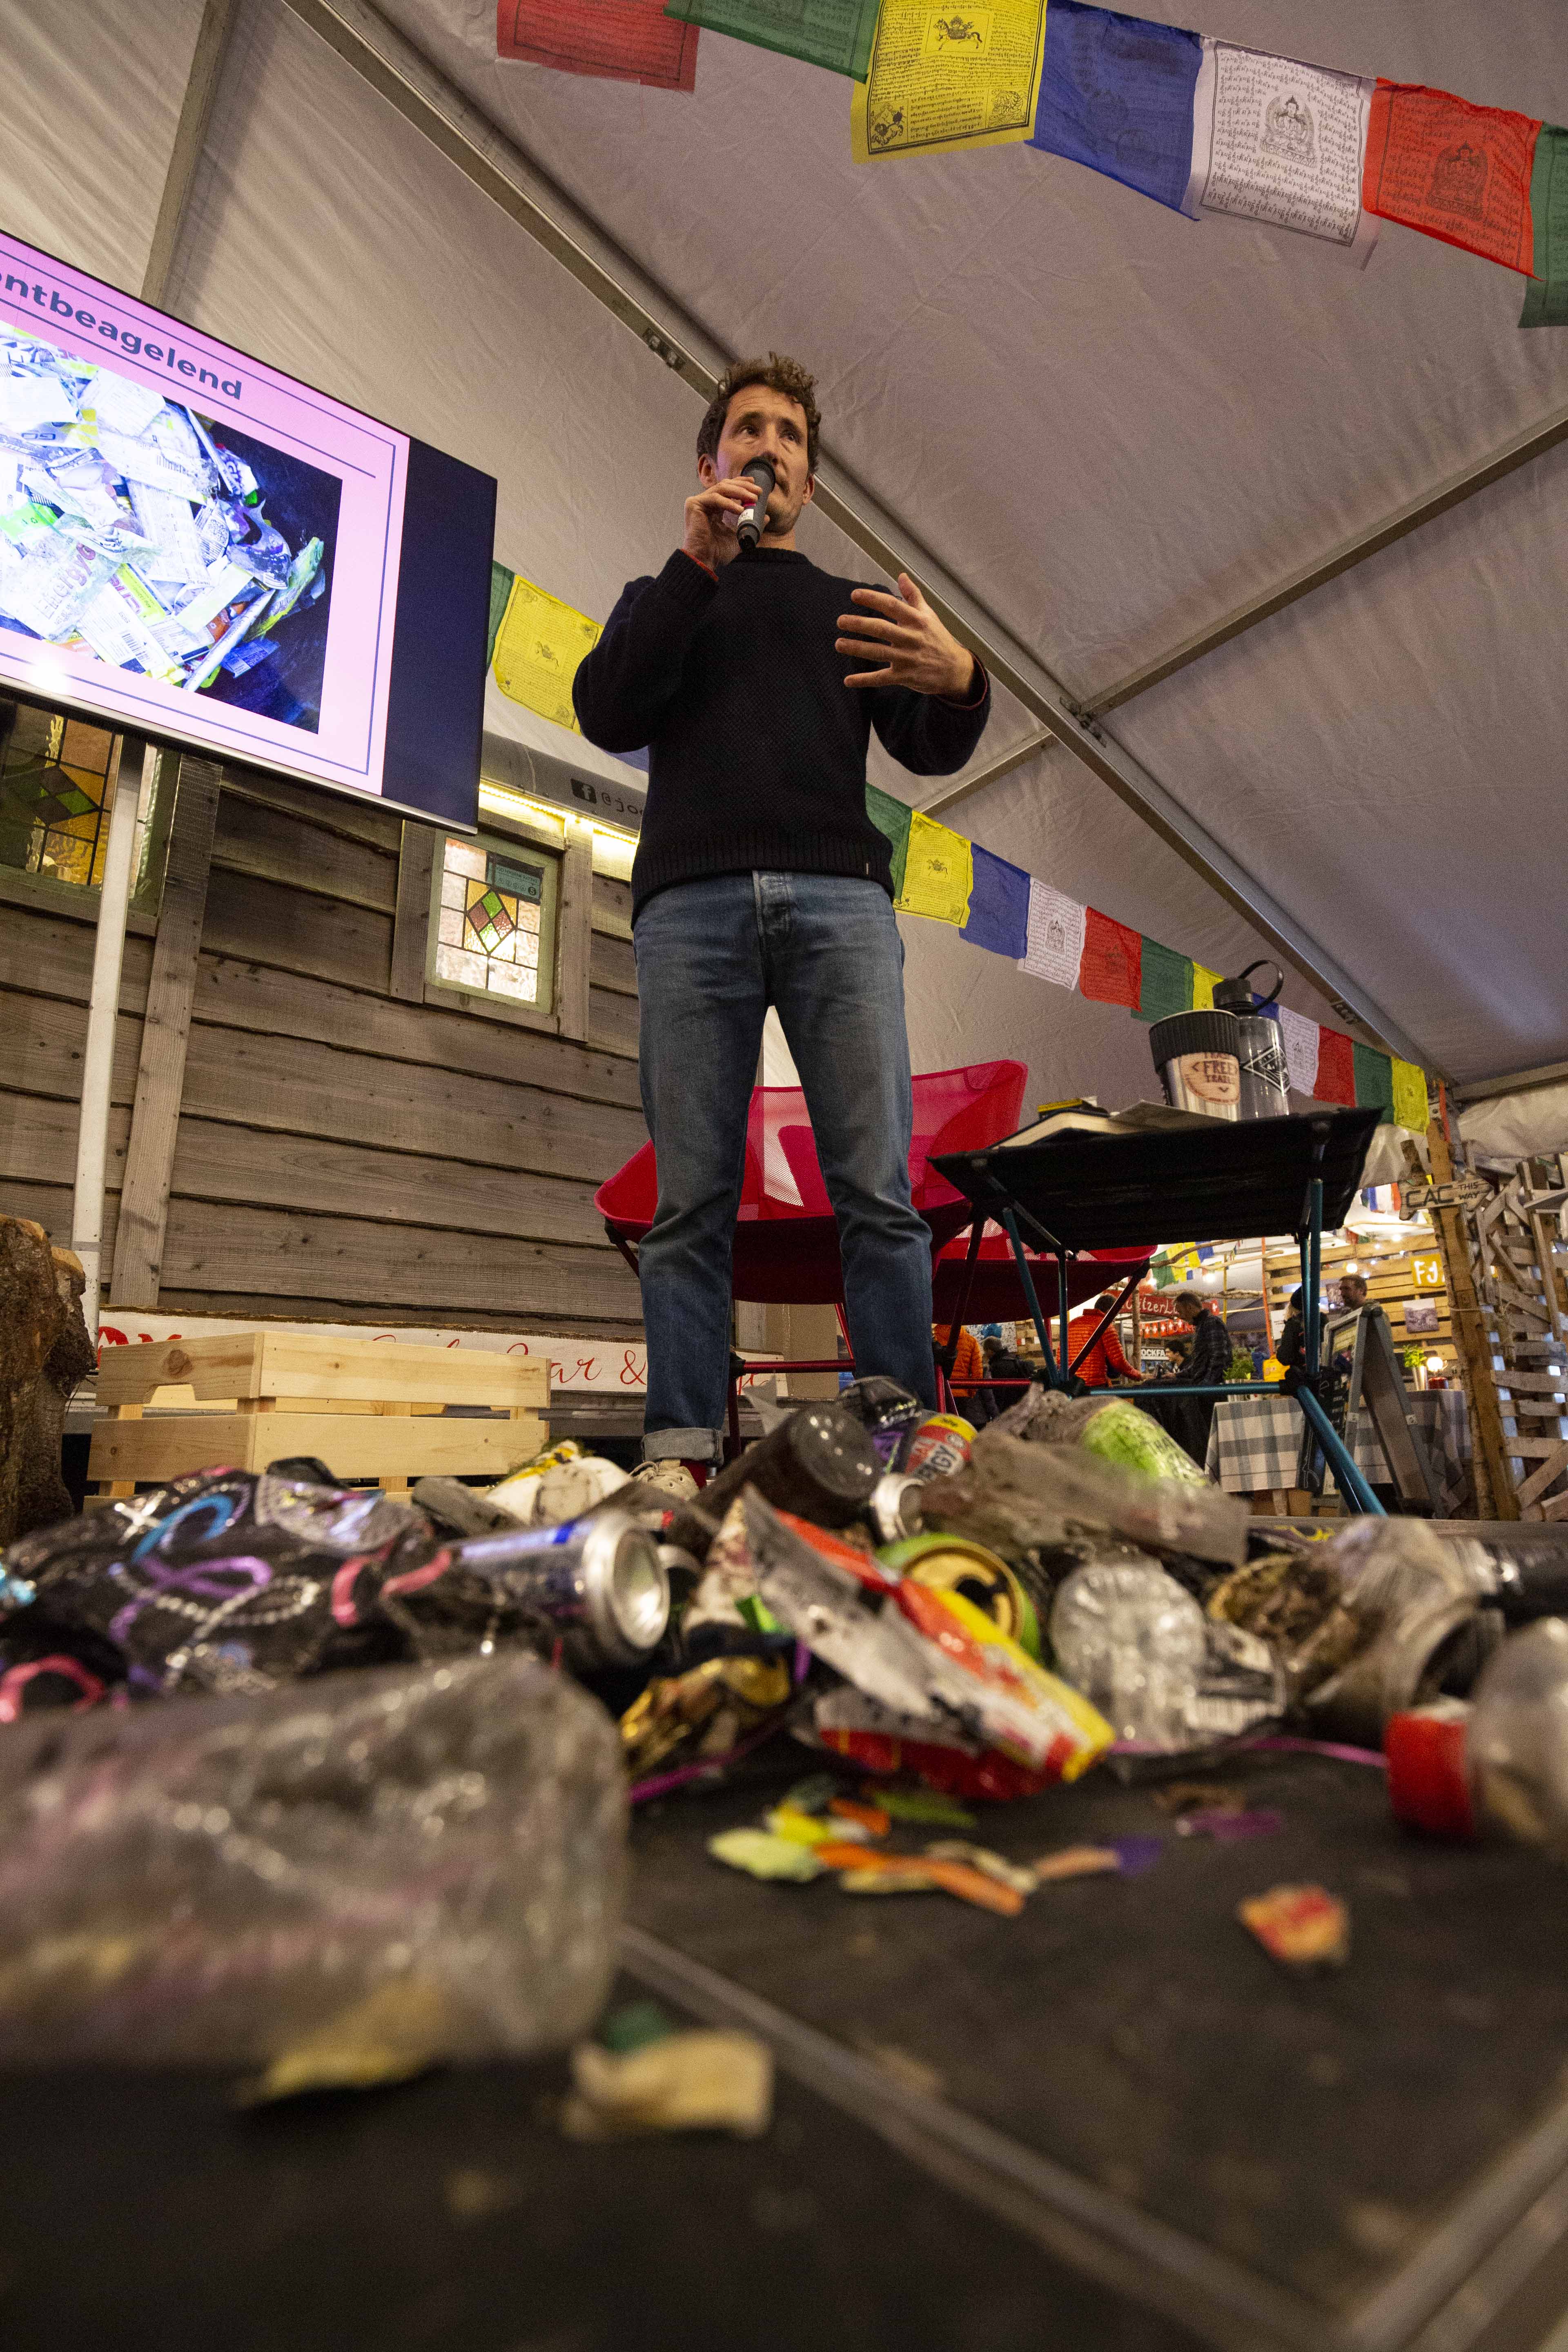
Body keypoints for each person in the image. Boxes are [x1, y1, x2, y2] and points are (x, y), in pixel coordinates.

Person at [573, 354, 991, 1466]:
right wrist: (694, 569)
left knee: (878, 1192)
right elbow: (606, 709)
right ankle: (679, 1458)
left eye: (790, 436)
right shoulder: (663, 596)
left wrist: (963, 677)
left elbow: (931, 744)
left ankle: (899, 1447)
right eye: (749, 429)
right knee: (689, 1205)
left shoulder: (851, 609)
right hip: (690, 911)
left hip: (839, 903)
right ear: (708, 461)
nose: (769, 447)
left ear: (809, 478)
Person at [1065, 1293, 1142, 1388]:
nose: (1114, 1320)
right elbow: (1118, 1361)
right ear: (1110, 1311)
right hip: (1094, 1384)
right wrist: (1139, 1376)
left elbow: (1061, 1358)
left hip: (1071, 1384)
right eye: (1115, 1315)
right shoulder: (1106, 1326)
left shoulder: (1072, 1324)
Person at [933, 1321, 989, 1419]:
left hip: (939, 1392)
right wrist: (970, 1392)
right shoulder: (971, 1341)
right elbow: (978, 1373)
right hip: (962, 1392)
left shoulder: (934, 1340)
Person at [1276, 1285, 1308, 1395]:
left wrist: (1279, 1351)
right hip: (1324, 1377)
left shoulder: (1293, 1325)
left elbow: (1285, 1357)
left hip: (1302, 1380)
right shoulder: (1321, 1321)